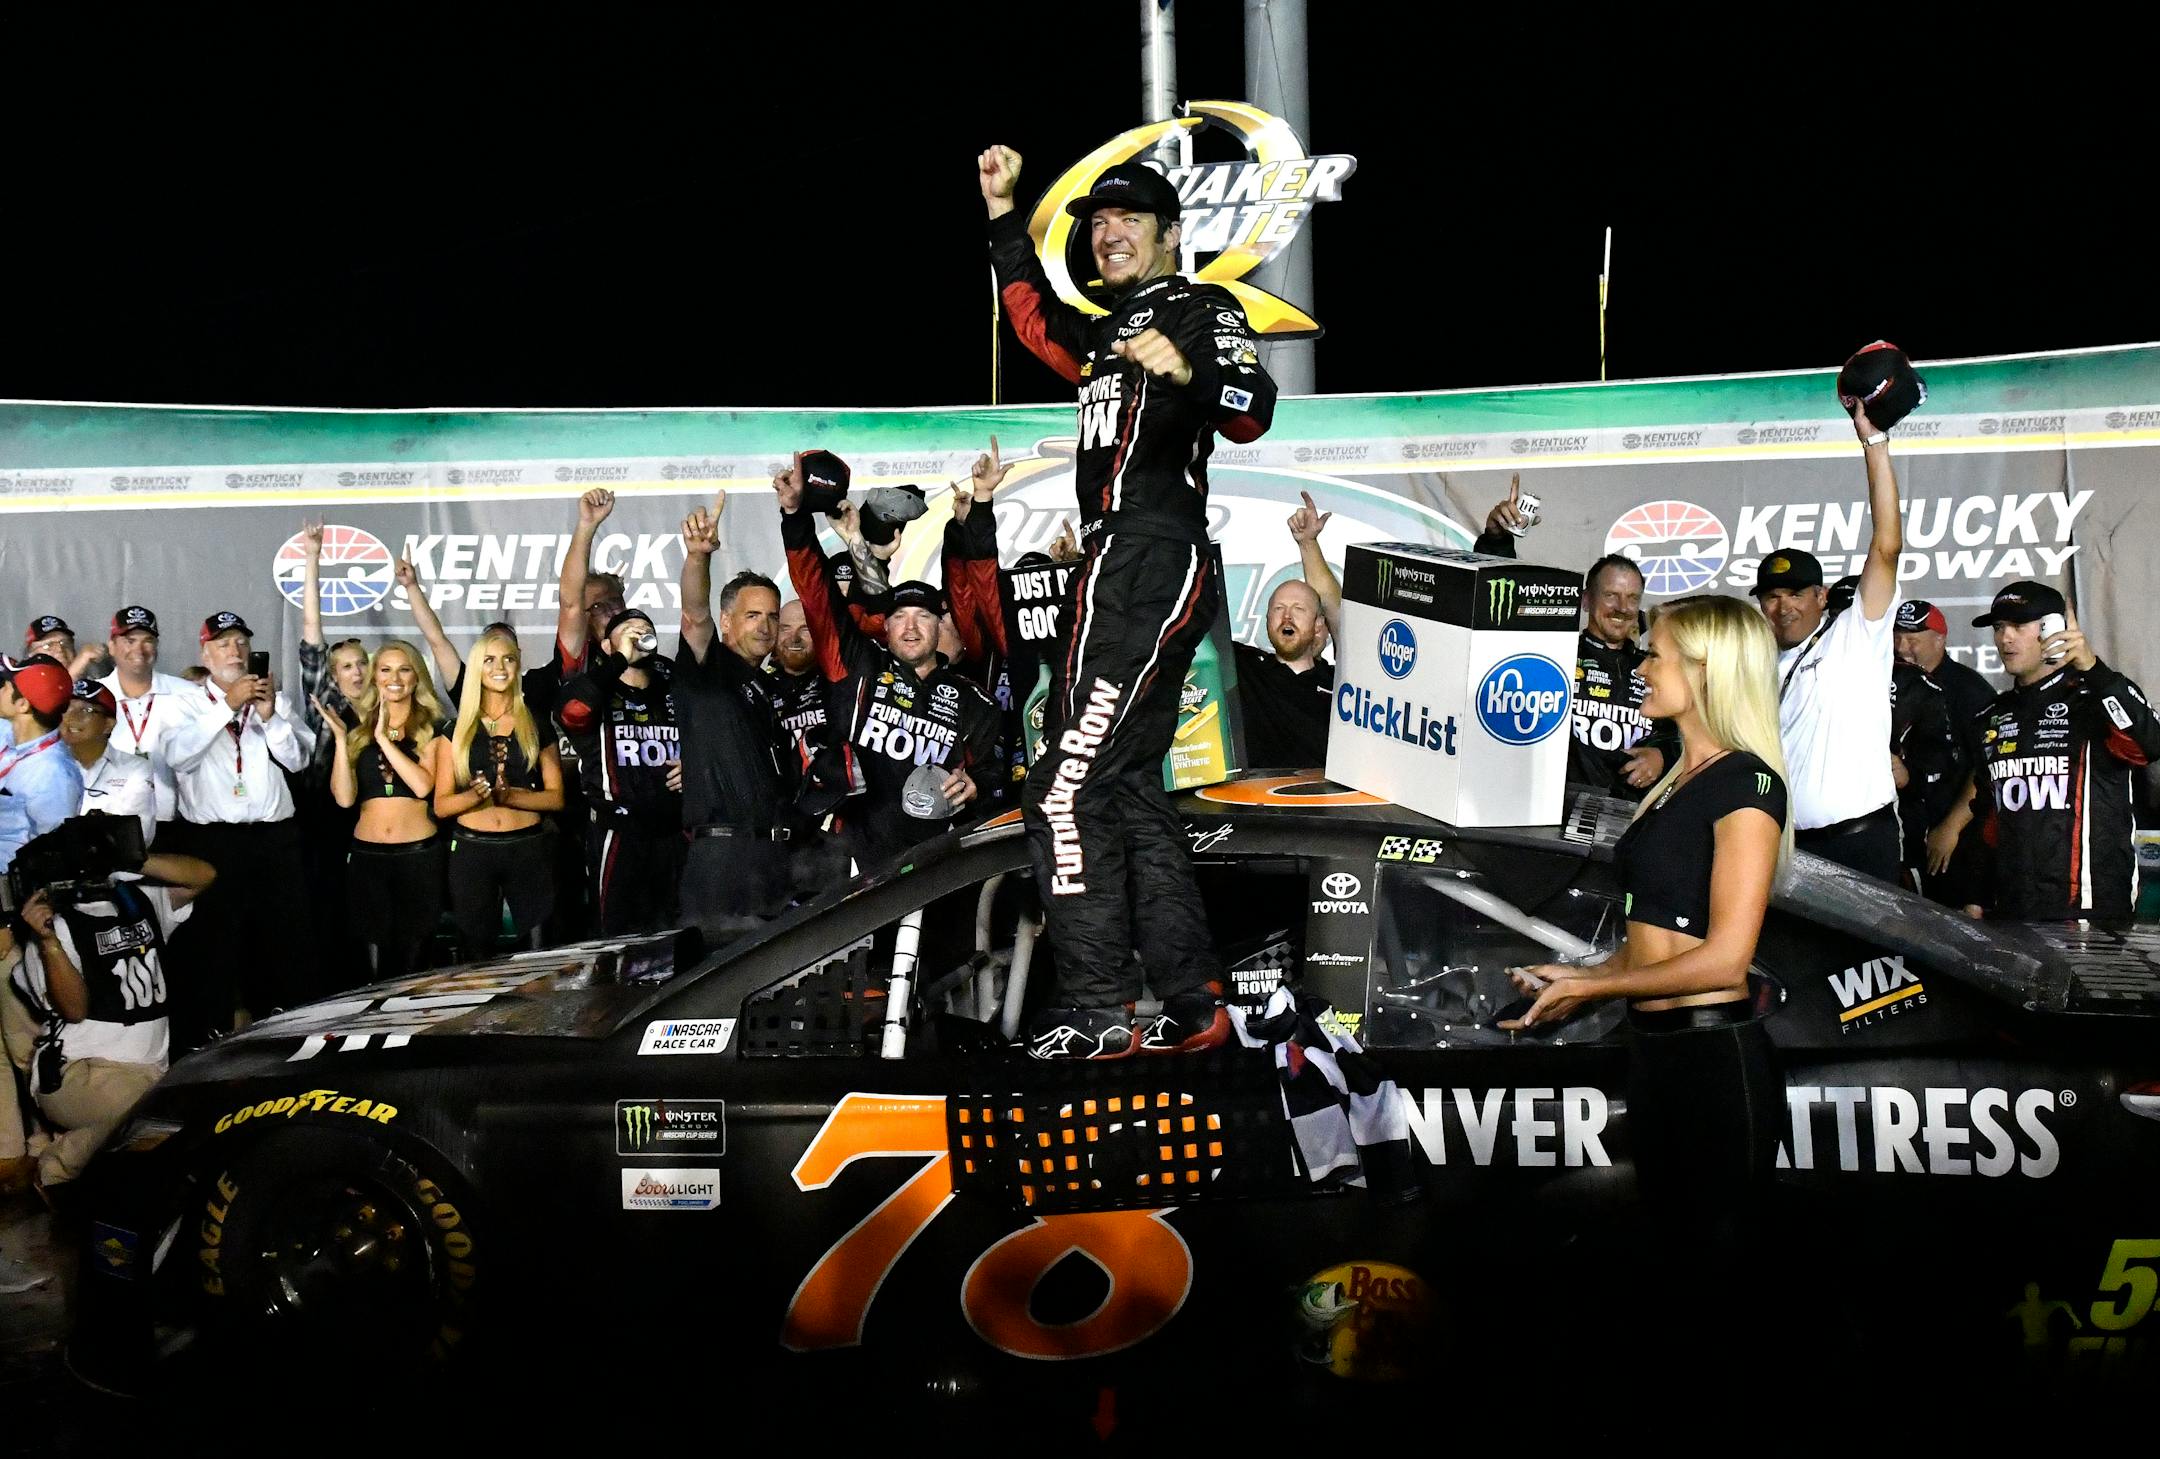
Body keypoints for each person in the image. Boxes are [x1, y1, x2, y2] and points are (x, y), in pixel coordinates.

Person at [980, 144, 1277, 1059]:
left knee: (1062, 788)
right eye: (1098, 225)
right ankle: (1195, 1000)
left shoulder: (1199, 307)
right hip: (1116, 562)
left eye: (1128, 222)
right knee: (1130, 791)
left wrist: (1189, 374)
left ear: (1170, 235)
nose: (1109, 235)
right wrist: (1002, 216)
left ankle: (1100, 1004)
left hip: (1150, 557)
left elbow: (1254, 406)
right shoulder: (1106, 331)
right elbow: (1035, 324)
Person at [1506, 595, 1791, 1339]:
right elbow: (1652, 938)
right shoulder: (1673, 785)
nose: (1641, 664)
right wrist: (1575, 978)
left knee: (1720, 1288)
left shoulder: (1749, 783)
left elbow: (1727, 958)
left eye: (1656, 653)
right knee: (1671, 1274)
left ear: (1706, 669)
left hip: (1714, 1063)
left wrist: (1596, 984)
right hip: (1655, 1058)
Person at [777, 463, 1001, 868]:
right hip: (851, 860)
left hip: (936, 864)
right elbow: (815, 592)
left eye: (924, 617)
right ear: (886, 625)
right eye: (900, 616)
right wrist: (794, 517)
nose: (911, 627)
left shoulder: (977, 701)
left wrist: (977, 786)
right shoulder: (856, 664)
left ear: (941, 624)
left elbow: (991, 775)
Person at [1928, 584, 2160, 922]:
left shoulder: (2094, 701)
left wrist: (2093, 669)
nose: (2004, 638)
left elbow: (2149, 744)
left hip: (2092, 910)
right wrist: (1975, 897)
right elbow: (1989, 816)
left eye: (2018, 627)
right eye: (1998, 627)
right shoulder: (1990, 716)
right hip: (2013, 910)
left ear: (2053, 630)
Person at [6, 843, 216, 1190]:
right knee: (158, 1118)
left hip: (147, 1071)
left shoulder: (139, 901)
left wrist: (134, 856)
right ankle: (60, 1161)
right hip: (79, 1071)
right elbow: (73, 1010)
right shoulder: (53, 927)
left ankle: (101, 1146)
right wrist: (48, 942)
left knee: (194, 1113)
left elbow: (204, 876)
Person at [1753, 404, 1904, 877]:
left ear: (1821, 596)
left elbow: (1886, 546)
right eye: (1771, 597)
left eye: (1796, 594)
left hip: (1862, 843)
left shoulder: (1857, 633)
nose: (1783, 607)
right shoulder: (1756, 661)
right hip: (1789, 848)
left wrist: (1873, 442)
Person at [159, 612, 317, 1040]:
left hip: (274, 840)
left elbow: (299, 759)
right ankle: (207, 1037)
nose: (235, 651)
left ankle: (283, 1034)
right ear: (204, 653)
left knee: (281, 941)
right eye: (224, 643)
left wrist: (269, 717)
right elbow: (178, 756)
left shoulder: (273, 699)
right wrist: (226, 707)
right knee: (212, 944)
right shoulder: (184, 703)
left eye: (242, 643)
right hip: (212, 841)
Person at [675, 503, 801, 941]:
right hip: (723, 858)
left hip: (770, 856)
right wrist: (698, 557)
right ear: (726, 620)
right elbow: (693, 613)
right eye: (753, 615)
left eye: (772, 616)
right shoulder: (709, 669)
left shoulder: (766, 687)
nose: (766, 626)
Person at [313, 641, 446, 983]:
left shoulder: (433, 725)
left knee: (414, 968)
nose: (394, 678)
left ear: (416, 677)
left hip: (418, 857)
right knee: (371, 972)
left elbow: (422, 787)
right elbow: (344, 799)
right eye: (385, 670)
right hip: (367, 858)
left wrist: (385, 739)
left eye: (404, 669)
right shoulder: (358, 730)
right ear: (375, 678)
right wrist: (343, 742)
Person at [432, 630, 565, 960]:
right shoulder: (457, 730)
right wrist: (475, 797)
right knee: (475, 954)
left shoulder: (535, 725)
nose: (500, 667)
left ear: (518, 665)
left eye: (508, 659)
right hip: (473, 850)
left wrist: (511, 796)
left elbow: (556, 799)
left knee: (540, 952)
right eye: (489, 660)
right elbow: (442, 805)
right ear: (477, 667)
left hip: (528, 847)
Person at [558, 608, 683, 935]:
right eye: (628, 628)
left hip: (673, 833)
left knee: (676, 932)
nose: (639, 632)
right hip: (618, 833)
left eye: (645, 628)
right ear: (606, 645)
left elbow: (715, 735)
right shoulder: (594, 689)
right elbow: (573, 713)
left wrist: (694, 764)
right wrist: (618, 661)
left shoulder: (675, 686)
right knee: (616, 934)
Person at [97, 606, 197, 832]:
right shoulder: (94, 696)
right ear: (111, 646)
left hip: (170, 824)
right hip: (106, 822)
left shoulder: (188, 693)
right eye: (130, 640)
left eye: (148, 640)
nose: (139, 649)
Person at [1, 655, 87, 873]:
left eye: (6, 686)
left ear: (22, 704)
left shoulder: (53, 772)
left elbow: (54, 853)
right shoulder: (9, 737)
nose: (0, 690)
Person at [61, 680, 156, 845]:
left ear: (108, 724)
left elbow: (135, 835)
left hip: (116, 869)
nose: (71, 717)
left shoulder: (134, 769)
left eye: (86, 710)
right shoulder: (47, 765)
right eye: (66, 708)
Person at [24, 617, 103, 681]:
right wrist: (74, 672)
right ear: (31, 654)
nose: (59, 649)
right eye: (48, 645)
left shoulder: (92, 684)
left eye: (65, 643)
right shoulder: (25, 686)